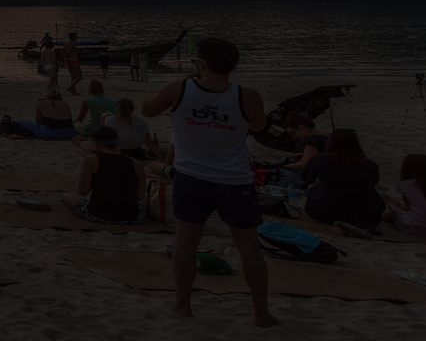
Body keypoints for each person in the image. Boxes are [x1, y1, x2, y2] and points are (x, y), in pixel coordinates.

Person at [140, 37, 274, 328]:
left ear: (202, 63)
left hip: (193, 178)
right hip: (235, 179)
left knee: (186, 244)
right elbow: (258, 126)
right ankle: (260, 313)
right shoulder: (247, 96)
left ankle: (183, 305)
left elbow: (148, 109)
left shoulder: (180, 88)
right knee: (249, 247)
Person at [302, 128, 384, 231]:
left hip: (326, 212)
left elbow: (305, 177)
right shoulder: (370, 164)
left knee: (313, 188)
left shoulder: (322, 159)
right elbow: (373, 182)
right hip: (364, 216)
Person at [72, 127, 144, 224]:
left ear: (96, 142)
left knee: (67, 197)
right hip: (131, 217)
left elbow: (83, 191)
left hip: (99, 213)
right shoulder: (137, 164)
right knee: (145, 202)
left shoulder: (91, 161)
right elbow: (140, 196)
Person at [8, 90, 76, 140]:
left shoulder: (40, 104)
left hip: (49, 133)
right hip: (70, 133)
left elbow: (38, 121)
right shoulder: (65, 104)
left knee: (21, 123)